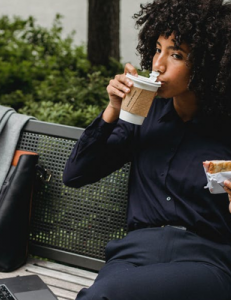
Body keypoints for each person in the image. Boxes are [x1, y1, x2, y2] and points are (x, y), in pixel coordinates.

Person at [62, 0, 231, 299]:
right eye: (157, 49)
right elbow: (75, 174)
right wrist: (113, 110)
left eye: (175, 54)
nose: (157, 65)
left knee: (104, 295)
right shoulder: (142, 114)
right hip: (133, 257)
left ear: (207, 63)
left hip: (203, 262)